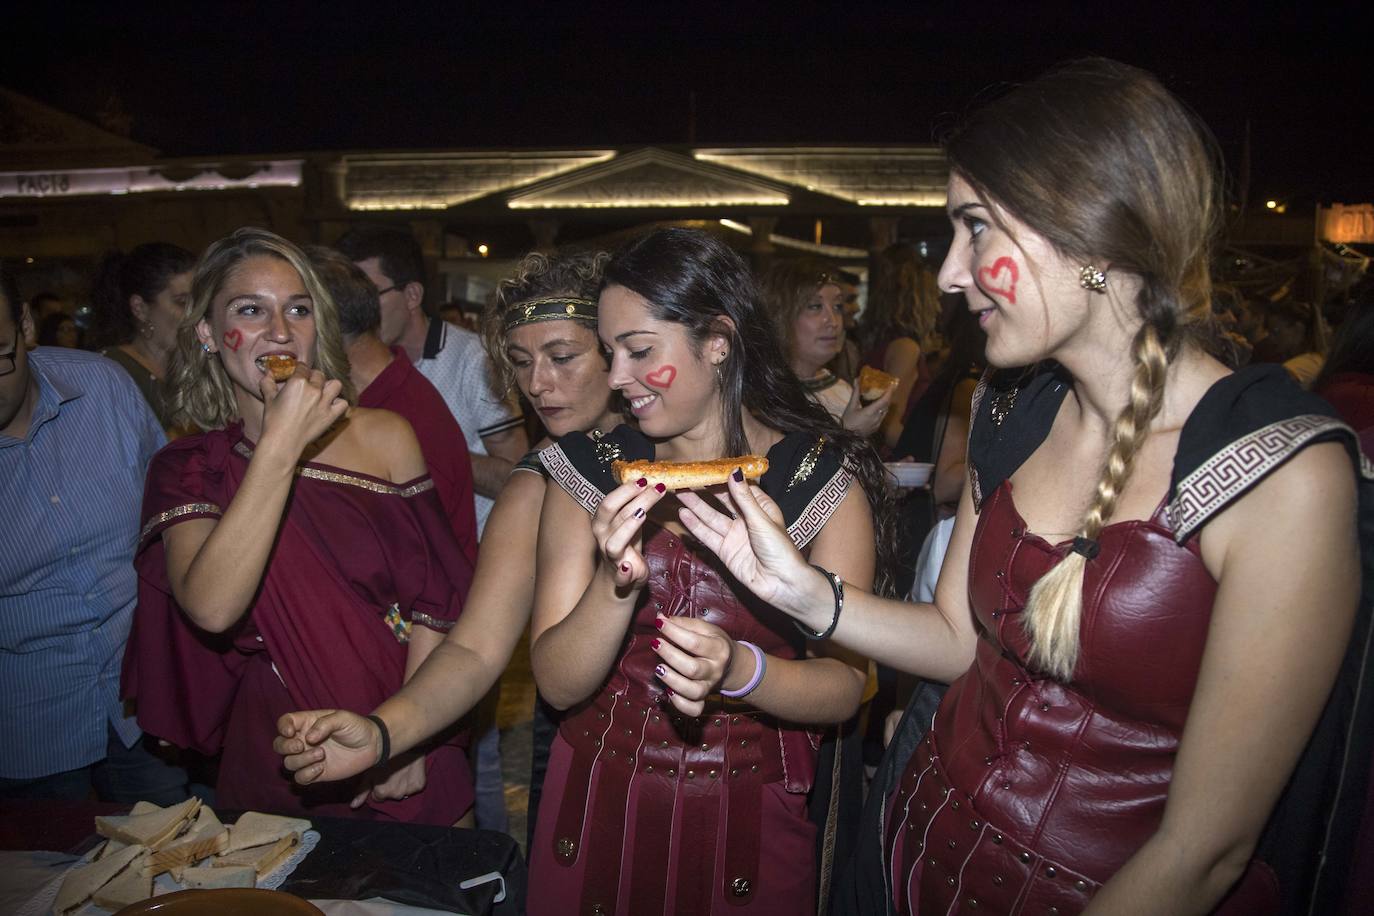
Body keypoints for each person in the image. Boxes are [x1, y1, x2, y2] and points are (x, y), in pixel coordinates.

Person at [675, 60, 1370, 915]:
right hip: (905, 859)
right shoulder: (1011, 411)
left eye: (976, 229)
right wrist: (801, 590)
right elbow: (958, 642)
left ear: (1088, 233)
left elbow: (1203, 853)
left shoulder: (1281, 475)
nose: (949, 276)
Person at [522, 227, 893, 915]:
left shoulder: (821, 484)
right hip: (596, 799)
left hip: (746, 818)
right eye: (609, 353)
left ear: (718, 341)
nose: (617, 378)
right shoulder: (587, 472)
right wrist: (615, 582)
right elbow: (556, 680)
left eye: (639, 351)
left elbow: (844, 688)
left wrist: (741, 671)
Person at [121, 227, 476, 825]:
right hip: (278, 745)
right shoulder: (187, 470)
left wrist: (408, 738)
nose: (280, 330)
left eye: (299, 309)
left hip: (407, 729)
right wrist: (279, 446)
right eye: (250, 310)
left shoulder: (385, 436)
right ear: (208, 334)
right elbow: (211, 606)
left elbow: (436, 601)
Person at [272, 249, 620, 845]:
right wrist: (387, 733)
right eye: (520, 362)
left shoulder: (718, 451)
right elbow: (476, 649)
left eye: (562, 358)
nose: (537, 384)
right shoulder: (537, 481)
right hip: (594, 749)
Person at [0, 261, 187, 805]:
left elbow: (172, 519)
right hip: (28, 728)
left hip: (142, 700)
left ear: (28, 328)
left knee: (177, 864)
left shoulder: (103, 387)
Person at [334, 225, 527, 535]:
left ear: (412, 295)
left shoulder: (474, 359)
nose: (359, 312)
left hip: (475, 554)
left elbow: (517, 478)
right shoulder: (347, 366)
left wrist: (424, 449)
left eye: (369, 295)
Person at [307, 245, 478, 566]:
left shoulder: (405, 418)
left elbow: (421, 562)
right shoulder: (366, 397)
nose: (279, 335)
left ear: (323, 325)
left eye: (297, 313)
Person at [758, 256, 893, 435]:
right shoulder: (763, 400)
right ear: (779, 316)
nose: (833, 321)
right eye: (815, 306)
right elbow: (783, 462)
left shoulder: (842, 389)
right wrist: (849, 433)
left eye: (837, 307)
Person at [91, 243, 196, 430]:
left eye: (198, 302)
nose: (194, 314)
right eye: (182, 303)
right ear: (140, 308)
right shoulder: (110, 372)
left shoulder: (193, 369)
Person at [860, 244, 938, 450]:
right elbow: (888, 422)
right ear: (919, 301)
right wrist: (927, 460)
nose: (938, 308)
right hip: (895, 463)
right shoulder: (906, 348)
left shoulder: (883, 344)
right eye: (934, 297)